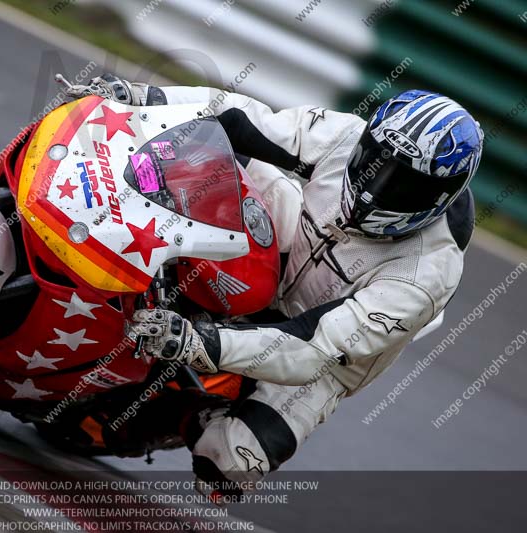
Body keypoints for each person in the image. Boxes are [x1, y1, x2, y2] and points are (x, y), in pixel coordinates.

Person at [65, 75, 484, 492]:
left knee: (230, 465)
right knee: (209, 151)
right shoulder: (343, 136)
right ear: (367, 144)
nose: (376, 189)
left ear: (440, 198)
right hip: (288, 245)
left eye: (404, 185)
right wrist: (141, 97)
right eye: (376, 163)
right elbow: (241, 116)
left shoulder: (426, 274)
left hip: (323, 357)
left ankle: (191, 412)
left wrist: (197, 342)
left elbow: (311, 347)